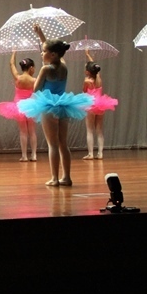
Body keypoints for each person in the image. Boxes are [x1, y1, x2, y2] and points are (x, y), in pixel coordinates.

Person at [17, 25, 93, 186]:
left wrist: (40, 75)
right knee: (63, 143)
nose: (41, 53)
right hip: (63, 105)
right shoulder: (63, 65)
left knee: (52, 144)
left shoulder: (45, 69)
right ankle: (67, 177)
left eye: (44, 51)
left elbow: (36, 89)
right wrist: (40, 34)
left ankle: (54, 178)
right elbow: (51, 48)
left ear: (52, 54)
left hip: (49, 106)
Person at [0, 52, 38, 161]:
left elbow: (11, 64)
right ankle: (34, 155)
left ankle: (24, 156)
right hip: (31, 106)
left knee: (23, 131)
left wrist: (14, 52)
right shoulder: (34, 80)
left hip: (18, 106)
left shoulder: (18, 78)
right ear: (31, 68)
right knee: (32, 131)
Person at [81, 53, 118, 160]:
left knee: (89, 130)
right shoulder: (98, 77)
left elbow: (84, 91)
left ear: (87, 72)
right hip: (101, 104)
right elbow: (94, 66)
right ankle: (100, 153)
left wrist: (85, 83)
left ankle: (91, 154)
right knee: (99, 130)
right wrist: (88, 54)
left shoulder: (87, 81)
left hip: (91, 105)